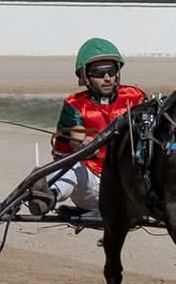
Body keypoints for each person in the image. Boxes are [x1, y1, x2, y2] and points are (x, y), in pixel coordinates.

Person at [27, 38, 146, 214]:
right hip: (94, 186)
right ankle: (47, 198)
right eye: (99, 73)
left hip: (132, 186)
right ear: (85, 77)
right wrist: (85, 145)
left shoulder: (135, 97)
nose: (107, 78)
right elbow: (77, 139)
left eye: (111, 71)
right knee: (74, 167)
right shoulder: (75, 105)